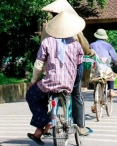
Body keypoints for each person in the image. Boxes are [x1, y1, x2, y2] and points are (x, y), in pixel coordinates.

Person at [26, 11, 91, 146]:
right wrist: (75, 83)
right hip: (68, 83)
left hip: (50, 82)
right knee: (74, 97)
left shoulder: (47, 42)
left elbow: (39, 65)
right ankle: (75, 125)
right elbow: (79, 67)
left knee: (32, 95)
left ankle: (45, 121)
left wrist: (34, 81)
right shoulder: (76, 45)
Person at [40, 0, 95, 134]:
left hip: (53, 68)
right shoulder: (73, 27)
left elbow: (42, 47)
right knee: (76, 94)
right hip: (73, 68)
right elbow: (84, 47)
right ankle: (81, 126)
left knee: (49, 92)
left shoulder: (47, 28)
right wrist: (90, 52)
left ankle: (47, 123)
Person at [90, 28, 117, 104]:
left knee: (96, 82)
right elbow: (114, 57)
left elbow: (88, 55)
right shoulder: (108, 45)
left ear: (96, 36)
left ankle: (95, 103)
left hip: (94, 67)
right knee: (111, 75)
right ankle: (111, 91)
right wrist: (116, 63)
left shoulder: (91, 45)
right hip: (104, 66)